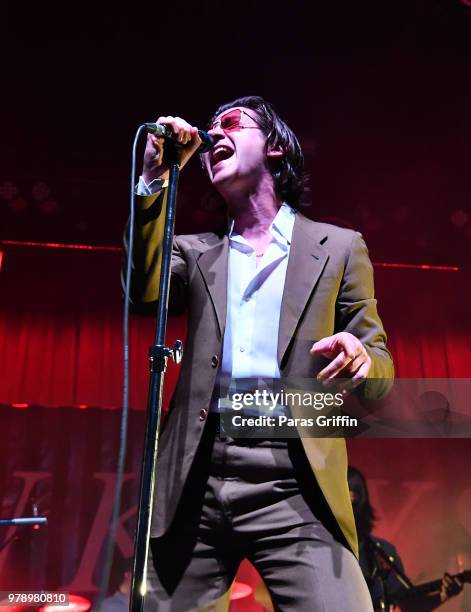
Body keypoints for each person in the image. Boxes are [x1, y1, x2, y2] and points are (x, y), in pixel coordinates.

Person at [127, 95, 394, 611]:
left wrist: (362, 357)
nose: (213, 136)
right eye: (209, 130)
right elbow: (144, 293)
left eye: (231, 123)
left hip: (294, 485)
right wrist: (154, 181)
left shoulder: (337, 248)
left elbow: (380, 368)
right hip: (196, 484)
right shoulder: (195, 250)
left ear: (274, 147)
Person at [348, 466, 464, 611]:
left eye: (352, 503)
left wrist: (442, 595)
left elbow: (409, 604)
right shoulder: (317, 550)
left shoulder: (381, 552)